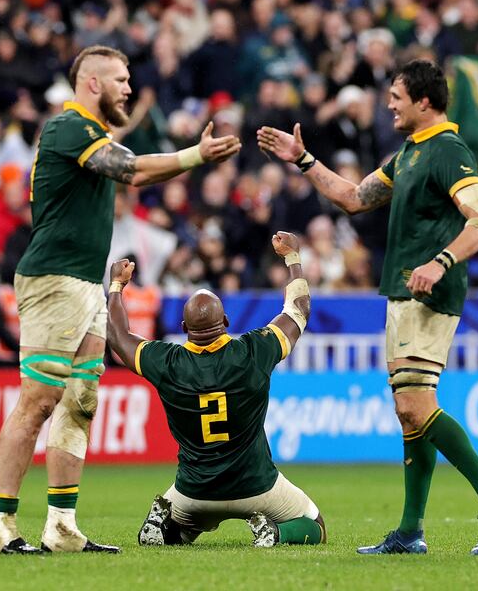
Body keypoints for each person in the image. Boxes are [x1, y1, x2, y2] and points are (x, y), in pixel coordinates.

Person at [0, 44, 241, 555]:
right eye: (120, 79)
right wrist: (195, 155)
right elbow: (134, 171)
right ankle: (0, 525)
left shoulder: (89, 132)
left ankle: (60, 525)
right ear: (92, 84)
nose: (128, 87)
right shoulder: (69, 126)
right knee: (37, 400)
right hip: (54, 279)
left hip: (83, 283)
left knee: (79, 401)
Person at [257, 59, 478, 556]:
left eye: (397, 97)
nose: (389, 105)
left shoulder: (447, 150)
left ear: (425, 101)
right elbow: (355, 198)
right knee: (409, 414)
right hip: (404, 292)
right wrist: (303, 159)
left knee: (414, 404)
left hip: (428, 292)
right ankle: (409, 531)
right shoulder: (409, 154)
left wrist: (440, 262)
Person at [106, 232, 326, 547]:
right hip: (256, 486)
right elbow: (299, 310)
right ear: (225, 319)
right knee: (314, 524)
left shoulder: (167, 362)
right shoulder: (253, 351)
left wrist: (117, 286)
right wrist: (293, 259)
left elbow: (117, 336)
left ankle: (166, 525)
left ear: (184, 329)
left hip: (194, 492)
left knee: (184, 527)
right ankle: (273, 532)